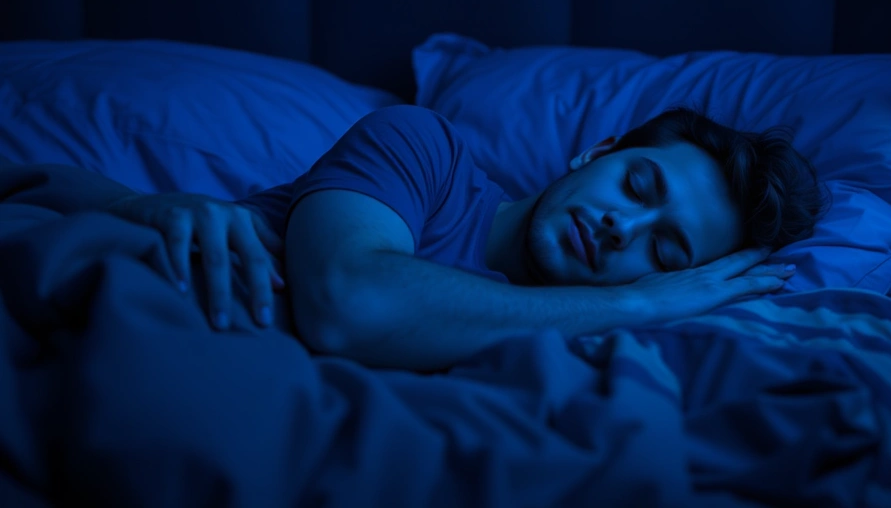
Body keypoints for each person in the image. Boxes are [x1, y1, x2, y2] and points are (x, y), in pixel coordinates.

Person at [105, 104, 829, 370]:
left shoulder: (581, 349)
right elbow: (348, 300)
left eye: (663, 251)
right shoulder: (424, 149)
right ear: (595, 153)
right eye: (637, 187)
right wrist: (639, 301)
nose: (622, 227)